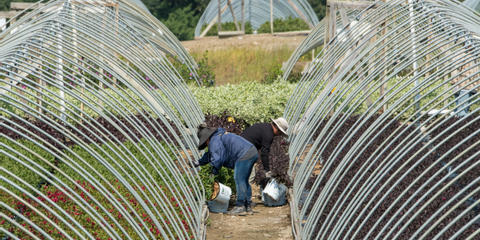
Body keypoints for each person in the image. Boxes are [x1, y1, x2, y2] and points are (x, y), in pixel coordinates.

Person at [193, 124, 258, 216]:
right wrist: (199, 162)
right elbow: (210, 154)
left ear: (207, 139)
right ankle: (248, 205)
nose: (206, 145)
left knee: (239, 179)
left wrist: (213, 172)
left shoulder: (214, 141)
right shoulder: (218, 137)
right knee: (244, 180)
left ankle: (240, 206)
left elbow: (217, 158)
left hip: (244, 154)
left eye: (205, 143)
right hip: (251, 151)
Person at [241, 117, 289, 183]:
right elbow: (264, 153)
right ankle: (242, 192)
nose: (279, 135)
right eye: (280, 133)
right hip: (243, 149)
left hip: (241, 145)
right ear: (277, 129)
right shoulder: (269, 134)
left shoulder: (264, 126)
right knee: (250, 176)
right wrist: (267, 170)